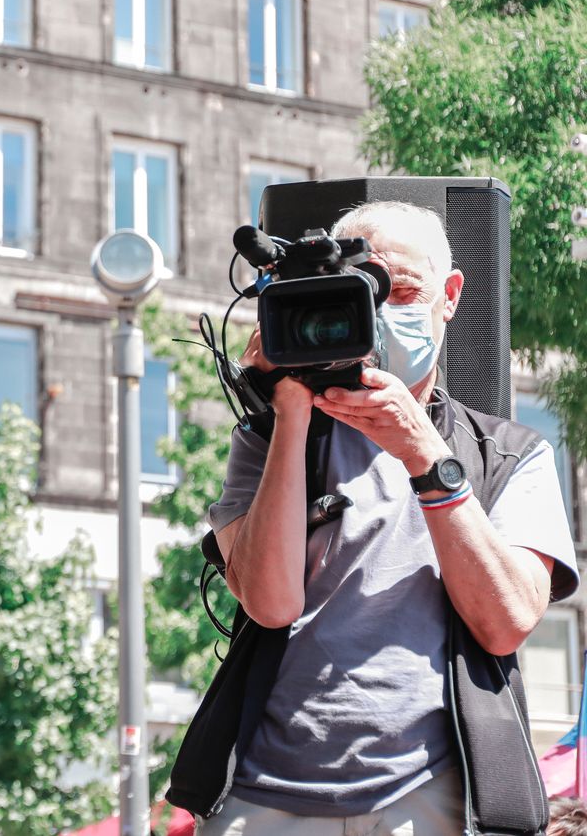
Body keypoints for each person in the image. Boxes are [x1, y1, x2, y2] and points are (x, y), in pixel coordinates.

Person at [176, 200, 578, 835]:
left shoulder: (510, 453)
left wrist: (424, 454)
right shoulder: (267, 438)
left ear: (449, 296)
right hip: (264, 798)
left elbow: (506, 624)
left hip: (436, 796)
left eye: (401, 290)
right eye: (355, 293)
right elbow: (270, 602)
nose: (380, 313)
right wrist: (289, 414)